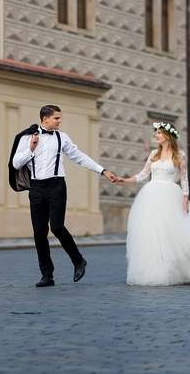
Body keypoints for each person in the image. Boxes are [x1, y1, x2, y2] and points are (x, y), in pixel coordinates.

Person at [12, 105, 118, 287]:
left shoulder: (62, 138)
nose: (60, 122)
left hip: (57, 186)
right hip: (36, 188)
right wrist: (30, 149)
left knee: (57, 227)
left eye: (60, 118)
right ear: (45, 119)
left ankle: (78, 261)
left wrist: (102, 170)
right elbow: (15, 163)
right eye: (56, 118)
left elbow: (79, 156)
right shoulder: (28, 137)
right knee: (39, 232)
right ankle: (47, 275)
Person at [115, 122, 190, 286]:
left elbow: (184, 180)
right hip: (150, 196)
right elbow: (143, 175)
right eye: (156, 133)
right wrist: (124, 181)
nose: (156, 135)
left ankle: (181, 270)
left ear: (168, 136)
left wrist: (185, 200)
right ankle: (155, 271)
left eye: (159, 133)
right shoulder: (154, 154)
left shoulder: (179, 155)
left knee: (173, 234)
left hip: (170, 196)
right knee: (152, 234)